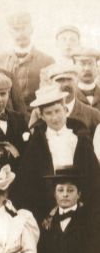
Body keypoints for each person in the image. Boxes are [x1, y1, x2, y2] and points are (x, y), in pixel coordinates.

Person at [15, 86, 100, 217]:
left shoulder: (80, 138)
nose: (55, 118)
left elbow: (93, 176)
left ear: (65, 110)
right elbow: (28, 182)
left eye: (57, 111)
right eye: (49, 113)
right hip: (47, 208)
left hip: (80, 208)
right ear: (41, 116)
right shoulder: (36, 144)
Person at [0, 12, 56, 105]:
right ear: (10, 32)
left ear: (31, 30)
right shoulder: (0, 60)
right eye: (16, 29)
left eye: (24, 29)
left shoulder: (47, 61)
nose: (20, 34)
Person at [28, 63, 100, 136]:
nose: (66, 84)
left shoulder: (93, 115)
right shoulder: (38, 113)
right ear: (51, 84)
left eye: (69, 79)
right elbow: (32, 142)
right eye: (60, 80)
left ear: (77, 81)